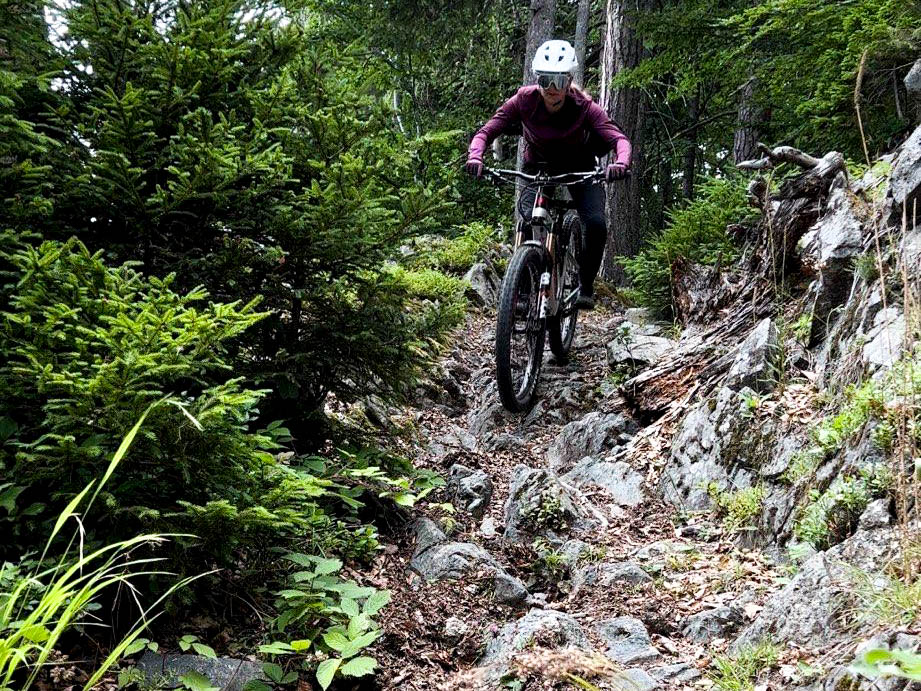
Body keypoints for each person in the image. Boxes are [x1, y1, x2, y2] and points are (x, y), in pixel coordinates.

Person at [465, 39, 632, 310]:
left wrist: (621, 163)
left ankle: (585, 285)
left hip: (579, 167)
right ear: (537, 80)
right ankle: (521, 289)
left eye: (559, 80)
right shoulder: (524, 100)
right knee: (528, 218)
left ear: (569, 82)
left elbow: (619, 139)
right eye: (545, 80)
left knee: (596, 224)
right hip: (538, 166)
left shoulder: (584, 107)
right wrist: (475, 156)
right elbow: (487, 131)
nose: (552, 88)